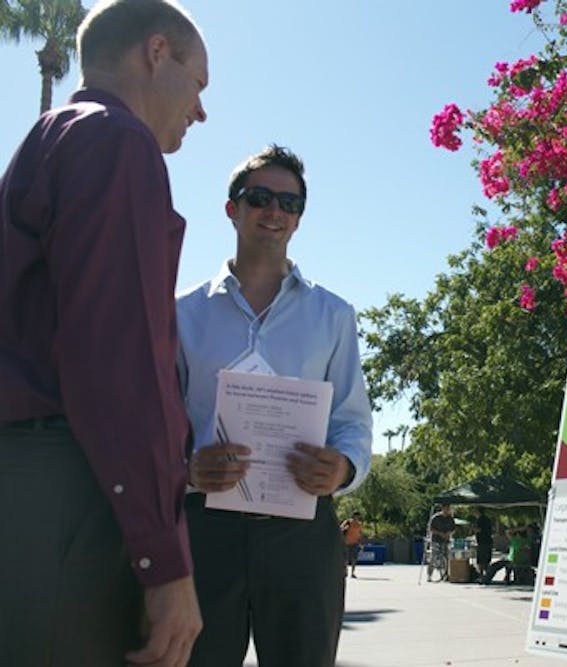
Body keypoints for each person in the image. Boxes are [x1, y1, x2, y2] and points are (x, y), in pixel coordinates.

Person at [0, 1, 208, 665]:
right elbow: (119, 366)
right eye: (198, 84)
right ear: (156, 52)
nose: (201, 112)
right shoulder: (118, 142)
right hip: (71, 492)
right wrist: (164, 562)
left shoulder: (54, 136)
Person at [178, 144, 373, 666]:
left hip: (302, 534)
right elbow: (156, 423)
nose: (276, 211)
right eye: (260, 197)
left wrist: (343, 468)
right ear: (231, 208)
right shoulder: (181, 314)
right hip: (205, 529)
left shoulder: (333, 316)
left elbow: (352, 422)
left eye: (291, 203)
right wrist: (187, 468)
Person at [426, 504, 457, 582]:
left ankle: (445, 575)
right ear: (442, 508)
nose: (447, 510)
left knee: (446, 557)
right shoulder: (435, 518)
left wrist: (449, 533)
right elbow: (431, 529)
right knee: (433, 557)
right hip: (436, 540)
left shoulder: (450, 518)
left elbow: (453, 529)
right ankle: (429, 575)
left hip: (446, 540)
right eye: (446, 508)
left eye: (448, 509)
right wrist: (440, 533)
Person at [472, 507, 494, 584]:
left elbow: (479, 530)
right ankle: (487, 576)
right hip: (488, 541)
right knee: (486, 560)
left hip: (482, 542)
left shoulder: (480, 520)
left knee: (481, 560)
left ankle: (482, 577)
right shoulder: (488, 519)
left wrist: (473, 529)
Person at [341, 512, 365, 578]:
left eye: (358, 517)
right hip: (346, 543)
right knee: (346, 559)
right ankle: (345, 572)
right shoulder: (347, 522)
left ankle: (352, 573)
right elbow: (340, 529)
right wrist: (345, 528)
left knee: (354, 559)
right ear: (353, 516)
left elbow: (360, 534)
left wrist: (361, 543)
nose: (356, 518)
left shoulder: (359, 524)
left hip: (355, 543)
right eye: (355, 516)